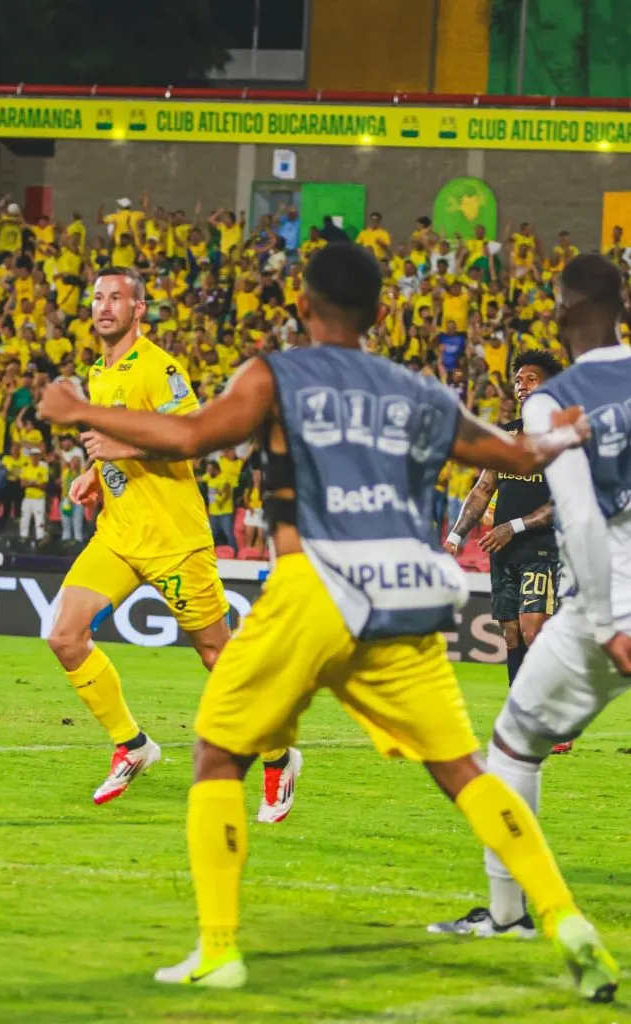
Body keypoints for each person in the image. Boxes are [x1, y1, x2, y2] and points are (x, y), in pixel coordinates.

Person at [38, 242, 616, 1001]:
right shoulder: (414, 388)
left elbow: (189, 438)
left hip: (317, 585)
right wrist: (558, 434)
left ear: (304, 308)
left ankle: (218, 950)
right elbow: (509, 452)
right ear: (379, 315)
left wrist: (79, 410)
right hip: (405, 595)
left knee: (216, 755)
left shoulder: (275, 374)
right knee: (464, 773)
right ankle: (566, 921)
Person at [427, 255, 631, 985]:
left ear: (564, 310)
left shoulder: (554, 400)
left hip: (608, 602)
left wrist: (607, 620)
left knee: (513, 745)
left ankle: (508, 912)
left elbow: (578, 512)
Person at [40, 266, 301, 821]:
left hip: (174, 541)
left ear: (138, 310)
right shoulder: (98, 371)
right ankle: (133, 745)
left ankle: (279, 756)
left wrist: (121, 448)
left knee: (216, 657)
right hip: (118, 534)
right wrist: (94, 472)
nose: (104, 306)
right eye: (97, 297)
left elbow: (195, 437)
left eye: (117, 298)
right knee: (63, 635)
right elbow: (114, 441)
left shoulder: (159, 366)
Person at [444, 353, 563, 700]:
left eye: (530, 379)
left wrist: (513, 526)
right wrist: (454, 536)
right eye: (518, 380)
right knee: (511, 634)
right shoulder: (507, 434)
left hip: (542, 548)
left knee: (533, 629)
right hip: (503, 549)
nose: (521, 385)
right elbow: (482, 490)